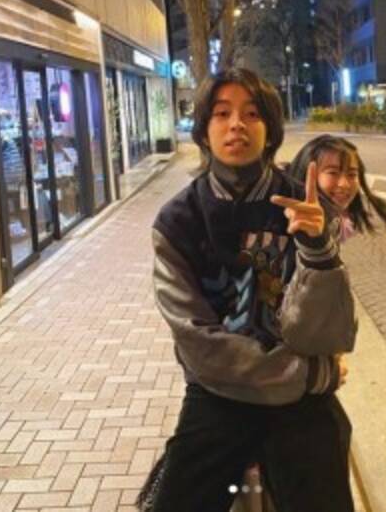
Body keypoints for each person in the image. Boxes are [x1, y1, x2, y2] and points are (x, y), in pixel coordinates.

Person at [142, 68, 357, 512]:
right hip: (221, 392)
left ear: (270, 129)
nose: (236, 124)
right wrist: (307, 375)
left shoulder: (306, 207)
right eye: (222, 113)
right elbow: (198, 341)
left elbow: (324, 334)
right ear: (203, 129)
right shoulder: (178, 221)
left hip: (300, 405)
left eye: (252, 114)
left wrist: (317, 250)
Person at [287, 135, 386, 241]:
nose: (344, 184)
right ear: (306, 172)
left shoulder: (341, 219)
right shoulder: (290, 218)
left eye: (352, 174)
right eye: (333, 173)